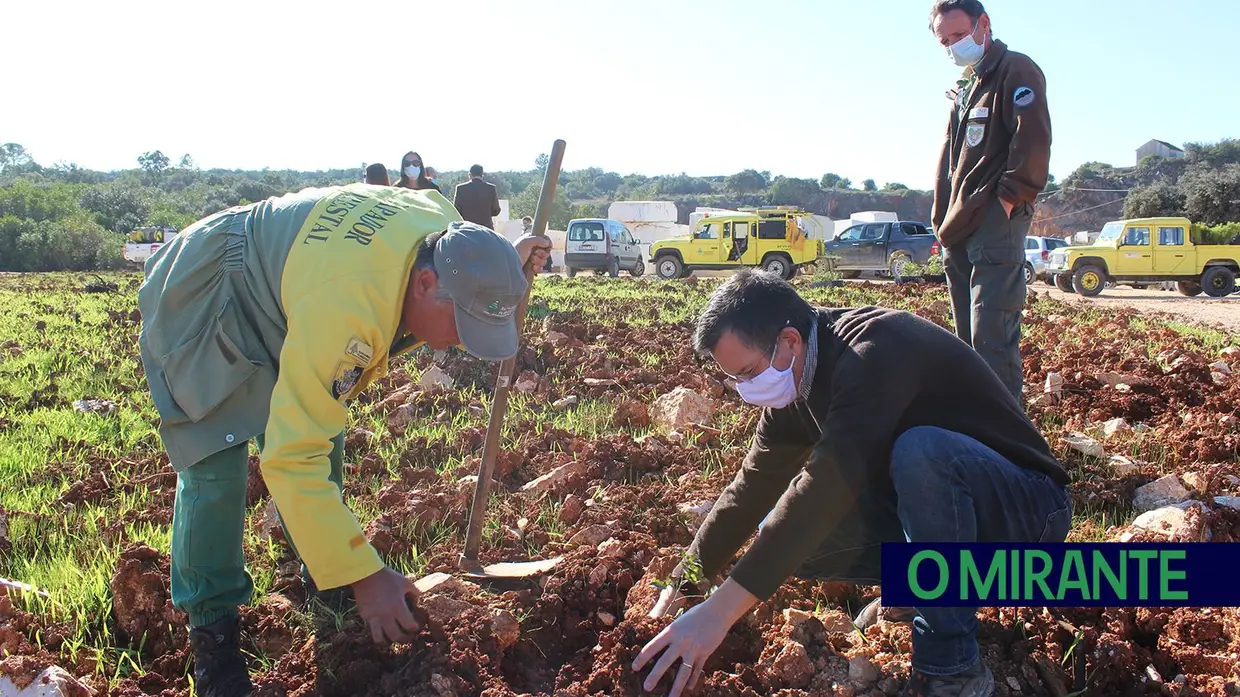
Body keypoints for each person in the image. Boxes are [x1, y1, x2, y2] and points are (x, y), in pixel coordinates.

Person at [136, 183, 551, 696]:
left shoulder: (442, 228)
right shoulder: (351, 311)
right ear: (424, 284)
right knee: (217, 460)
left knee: (321, 428)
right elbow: (291, 457)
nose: (461, 344)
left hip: (293, 285)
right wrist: (369, 577)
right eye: (462, 324)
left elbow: (463, 266)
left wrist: (503, 268)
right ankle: (213, 636)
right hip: (211, 282)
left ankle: (326, 571)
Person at [633, 269, 1071, 697]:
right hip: (953, 517)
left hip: (1028, 512)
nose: (746, 389)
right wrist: (684, 582)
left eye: (748, 372)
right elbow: (752, 487)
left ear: (789, 340)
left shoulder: (877, 349)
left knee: (921, 453)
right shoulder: (795, 383)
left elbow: (824, 488)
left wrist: (719, 614)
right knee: (781, 531)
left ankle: (951, 668)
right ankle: (922, 586)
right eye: (736, 379)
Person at [929, 0, 1052, 402]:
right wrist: (941, 215)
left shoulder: (1015, 69)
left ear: (984, 24)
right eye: (944, 40)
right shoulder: (967, 86)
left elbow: (1032, 138)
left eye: (959, 35)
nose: (952, 47)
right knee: (967, 340)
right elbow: (953, 159)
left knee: (992, 338)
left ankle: (1007, 446)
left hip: (994, 221)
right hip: (958, 226)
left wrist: (1009, 200)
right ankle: (976, 429)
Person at [453, 164, 502, 230]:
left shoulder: (460, 188)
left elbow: (456, 210)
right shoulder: (491, 188)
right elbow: (496, 210)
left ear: (469, 175)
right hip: (486, 229)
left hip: (467, 229)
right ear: (482, 175)